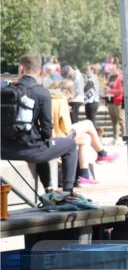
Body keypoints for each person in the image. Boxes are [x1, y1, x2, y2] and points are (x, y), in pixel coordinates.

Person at [0, 55, 82, 206]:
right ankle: (68, 192)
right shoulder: (42, 93)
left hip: (3, 150)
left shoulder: (6, 90)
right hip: (31, 150)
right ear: (41, 72)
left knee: (42, 144)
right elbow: (46, 130)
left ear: (21, 69)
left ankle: (49, 189)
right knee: (68, 144)